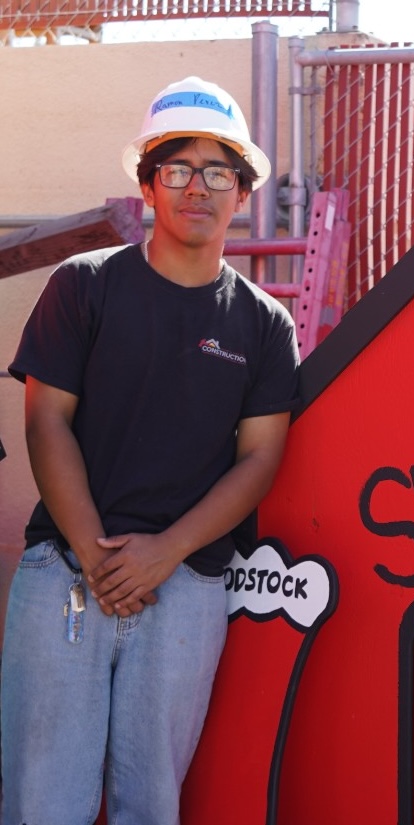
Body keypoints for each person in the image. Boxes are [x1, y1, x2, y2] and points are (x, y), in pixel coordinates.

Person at [2, 77, 300, 824]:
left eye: (217, 171)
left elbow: (260, 459)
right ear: (146, 184)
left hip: (187, 586)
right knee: (45, 801)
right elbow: (46, 424)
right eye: (177, 168)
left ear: (242, 192)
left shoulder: (264, 325)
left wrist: (163, 553)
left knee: (152, 803)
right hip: (65, 575)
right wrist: (97, 556)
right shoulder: (84, 287)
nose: (196, 187)